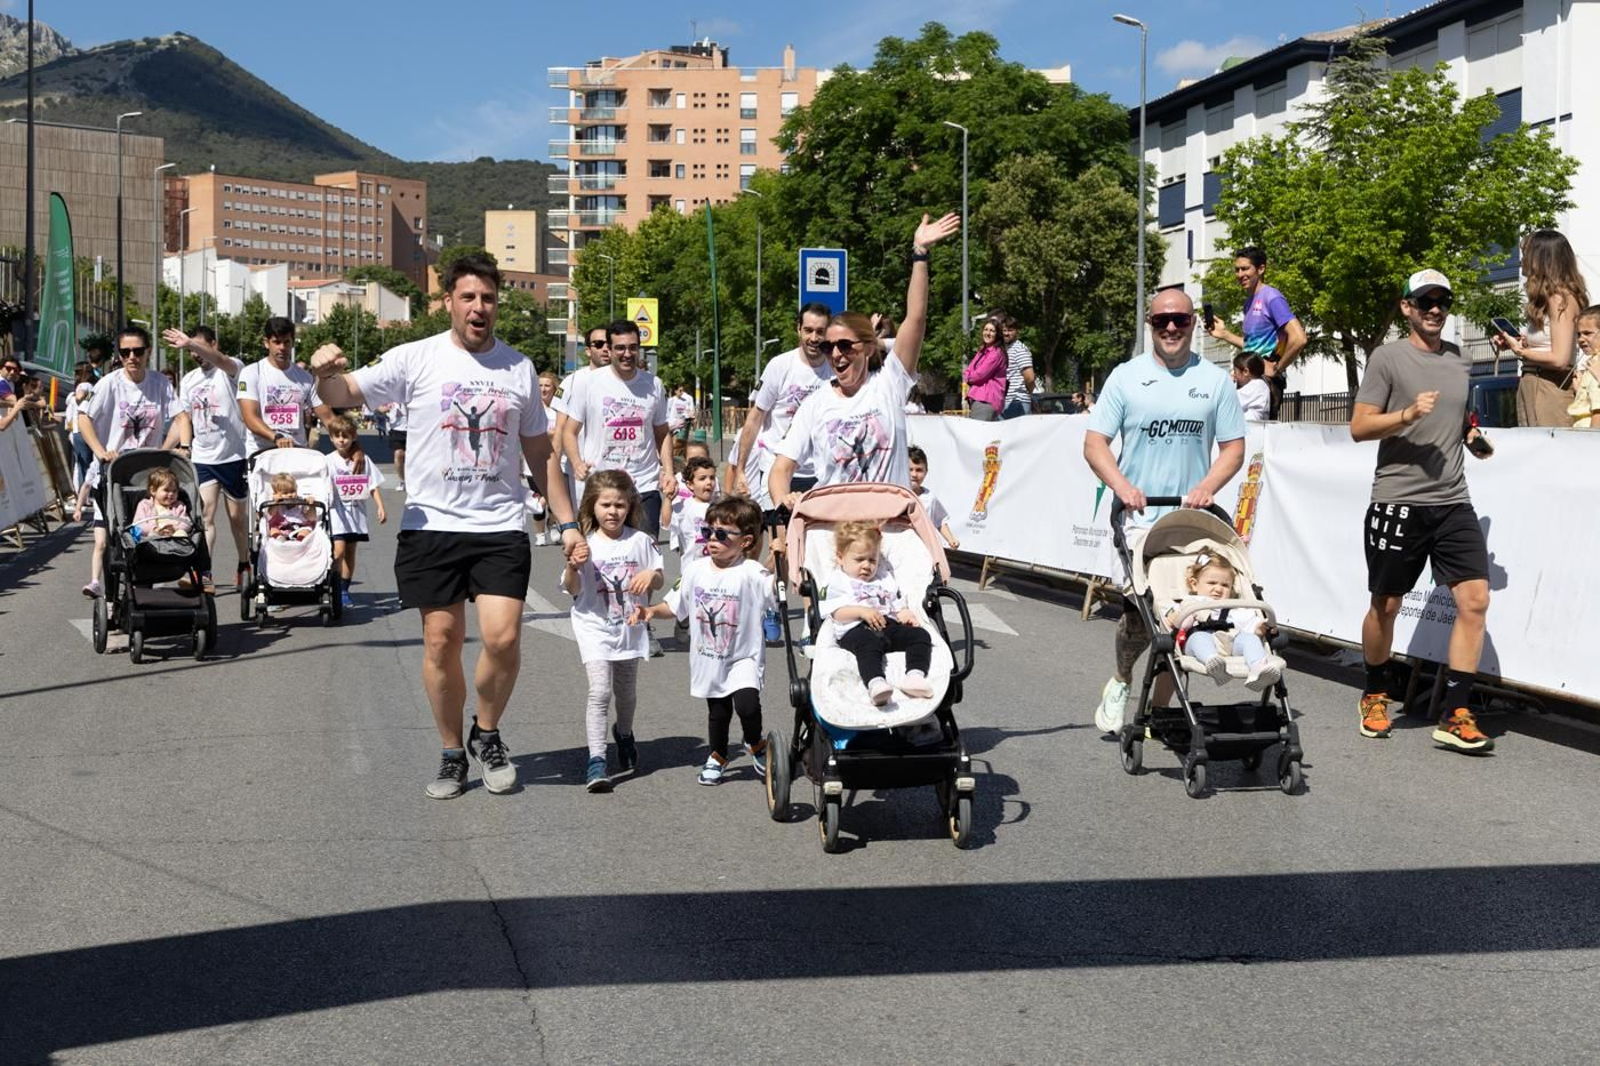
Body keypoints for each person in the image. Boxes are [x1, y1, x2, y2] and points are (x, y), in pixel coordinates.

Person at [308, 252, 582, 800]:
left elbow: (540, 452)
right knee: (441, 641)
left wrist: (569, 521)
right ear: (449, 302)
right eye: (469, 298)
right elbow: (343, 397)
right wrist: (324, 374)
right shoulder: (416, 358)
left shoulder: (518, 369)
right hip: (432, 524)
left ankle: (488, 731)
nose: (479, 308)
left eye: (488, 299)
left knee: (502, 638)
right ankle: (453, 750)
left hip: (500, 522)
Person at [1083, 289, 1247, 736]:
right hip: (1139, 521)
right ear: (1150, 325)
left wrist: (1207, 486)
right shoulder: (1126, 377)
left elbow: (1234, 448)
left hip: (1192, 519)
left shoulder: (1214, 381)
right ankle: (1121, 680)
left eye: (1180, 320)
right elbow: (1094, 444)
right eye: (1161, 322)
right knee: (1140, 615)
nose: (1171, 328)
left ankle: (1158, 709)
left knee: (1188, 615)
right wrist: (1123, 487)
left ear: (1194, 323)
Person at [1350, 269, 1497, 754]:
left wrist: (1471, 437)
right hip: (1398, 500)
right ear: (1407, 308)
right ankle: (1375, 692)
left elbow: (1456, 418)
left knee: (1475, 600)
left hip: (1453, 499)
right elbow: (1359, 427)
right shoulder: (1387, 358)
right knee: (1386, 605)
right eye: (1426, 301)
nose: (1436, 309)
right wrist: (1406, 416)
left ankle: (1456, 712)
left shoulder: (1460, 360)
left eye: (1444, 301)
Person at [771, 212, 961, 505]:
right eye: (828, 347)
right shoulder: (815, 405)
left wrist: (920, 255)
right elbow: (781, 468)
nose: (836, 354)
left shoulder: (888, 384)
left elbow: (916, 318)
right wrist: (785, 497)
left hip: (890, 528)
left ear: (869, 348)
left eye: (845, 345)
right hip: (840, 531)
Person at [632, 496, 773, 785]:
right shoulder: (695, 570)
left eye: (722, 534)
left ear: (746, 541)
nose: (712, 539)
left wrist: (780, 557)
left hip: (743, 656)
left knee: (747, 704)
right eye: (708, 532)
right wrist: (650, 611)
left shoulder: (751, 572)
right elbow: (674, 606)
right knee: (718, 712)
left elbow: (774, 588)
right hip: (709, 656)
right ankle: (718, 755)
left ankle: (755, 743)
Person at [562, 469, 662, 793]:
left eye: (619, 504)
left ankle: (625, 732)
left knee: (626, 692)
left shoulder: (640, 540)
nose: (612, 511)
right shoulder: (585, 544)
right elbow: (573, 589)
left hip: (629, 626)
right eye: (605, 504)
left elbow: (659, 577)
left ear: (629, 505)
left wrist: (651, 576)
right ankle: (596, 759)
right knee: (600, 691)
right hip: (594, 626)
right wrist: (572, 567)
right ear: (592, 506)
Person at [77, 326, 189, 598]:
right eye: (125, 352)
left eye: (137, 351)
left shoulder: (160, 383)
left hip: (148, 470)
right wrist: (101, 450)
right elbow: (83, 419)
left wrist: (183, 447)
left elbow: (181, 417)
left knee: (146, 530)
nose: (132, 357)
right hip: (115, 468)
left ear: (147, 352)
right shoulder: (108, 384)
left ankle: (144, 590)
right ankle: (113, 594)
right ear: (119, 354)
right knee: (114, 536)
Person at [561, 319, 676, 534]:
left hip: (644, 483)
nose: (627, 354)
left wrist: (668, 471)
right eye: (620, 348)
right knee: (599, 558)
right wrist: (576, 462)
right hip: (602, 484)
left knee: (646, 554)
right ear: (610, 349)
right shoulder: (589, 383)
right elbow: (569, 431)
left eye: (633, 348)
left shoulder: (654, 384)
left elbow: (662, 433)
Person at [166, 325, 250, 594]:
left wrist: (190, 341)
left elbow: (221, 360)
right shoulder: (190, 380)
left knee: (237, 518)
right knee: (205, 515)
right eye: (191, 351)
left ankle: (244, 563)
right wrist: (167, 448)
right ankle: (204, 572)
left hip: (234, 456)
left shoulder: (232, 369)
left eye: (198, 348)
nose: (195, 354)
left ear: (213, 343)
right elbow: (183, 419)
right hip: (204, 456)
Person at [819, 520, 935, 706]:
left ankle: (914, 675)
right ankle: (876, 683)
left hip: (887, 625)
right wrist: (861, 611)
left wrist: (903, 612)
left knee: (920, 635)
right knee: (869, 645)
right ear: (840, 557)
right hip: (856, 631)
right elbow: (835, 613)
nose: (867, 566)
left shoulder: (883, 578)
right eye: (859, 560)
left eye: (872, 560)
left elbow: (895, 601)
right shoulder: (838, 580)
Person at [732, 303, 836, 504]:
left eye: (820, 332)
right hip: (777, 468)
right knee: (780, 534)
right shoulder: (779, 366)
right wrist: (741, 470)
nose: (814, 338)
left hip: (820, 473)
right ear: (798, 329)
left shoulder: (836, 368)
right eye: (808, 330)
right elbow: (755, 419)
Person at [1494, 229, 1589, 428]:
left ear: (1542, 258)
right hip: (1533, 383)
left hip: (1549, 387)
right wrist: (1519, 342)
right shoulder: (1547, 299)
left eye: (1527, 254)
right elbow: (1546, 345)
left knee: (1550, 455)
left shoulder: (1561, 298)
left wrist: (1521, 350)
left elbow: (1560, 359)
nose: (1522, 260)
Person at [1208, 247, 1307, 418]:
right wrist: (1225, 334)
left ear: (1261, 269)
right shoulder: (1249, 302)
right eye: (1237, 270)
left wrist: (1277, 368)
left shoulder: (1272, 297)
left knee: (1253, 437)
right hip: (1248, 379)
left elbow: (1299, 338)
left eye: (1245, 269)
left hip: (1264, 383)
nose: (1240, 274)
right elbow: (1253, 346)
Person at [1165, 552, 1282, 692]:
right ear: (1194, 584)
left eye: (1225, 585)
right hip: (1198, 640)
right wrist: (1175, 616)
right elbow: (1177, 620)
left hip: (1230, 642)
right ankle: (1213, 662)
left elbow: (1250, 626)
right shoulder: (1190, 602)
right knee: (1199, 638)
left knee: (1250, 639)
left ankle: (1258, 668)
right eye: (1212, 583)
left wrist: (1261, 628)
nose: (1218, 589)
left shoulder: (1235, 606)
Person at [239, 317, 333, 451]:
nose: (282, 348)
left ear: (293, 343)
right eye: (276, 342)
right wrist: (276, 437)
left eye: (286, 342)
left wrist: (353, 444)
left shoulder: (305, 377)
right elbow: (249, 417)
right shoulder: (251, 373)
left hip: (296, 452)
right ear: (266, 343)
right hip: (263, 452)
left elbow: (328, 418)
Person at [323, 413, 387, 607]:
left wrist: (380, 507)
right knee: (338, 551)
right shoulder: (327, 460)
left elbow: (373, 484)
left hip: (356, 512)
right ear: (331, 437)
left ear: (353, 437)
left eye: (346, 436)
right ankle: (331, 583)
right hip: (337, 511)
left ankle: (344, 589)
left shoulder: (363, 460)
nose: (341, 440)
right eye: (337, 436)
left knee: (350, 552)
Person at [907, 445, 960, 550]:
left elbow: (940, 521)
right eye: (910, 469)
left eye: (919, 470)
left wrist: (951, 539)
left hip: (921, 549)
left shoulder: (929, 498)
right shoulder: (895, 494)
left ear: (926, 472)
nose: (914, 474)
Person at [529, 372, 559, 545]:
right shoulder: (531, 409)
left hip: (556, 460)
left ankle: (553, 523)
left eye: (547, 385)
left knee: (553, 496)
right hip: (532, 461)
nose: (543, 389)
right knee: (538, 498)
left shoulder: (559, 410)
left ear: (554, 388)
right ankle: (540, 534)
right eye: (540, 385)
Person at [669, 455, 718, 560]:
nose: (709, 482)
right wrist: (667, 499)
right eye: (702, 478)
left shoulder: (720, 508)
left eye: (712, 478)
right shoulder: (685, 506)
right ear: (690, 484)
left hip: (714, 565)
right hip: (691, 565)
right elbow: (666, 523)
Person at [961, 319, 1007, 420]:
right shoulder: (982, 351)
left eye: (992, 330)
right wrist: (969, 375)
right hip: (978, 398)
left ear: (998, 334)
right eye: (986, 329)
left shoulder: (996, 353)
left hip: (986, 400)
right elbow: (968, 370)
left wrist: (969, 376)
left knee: (978, 434)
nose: (988, 333)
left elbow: (979, 375)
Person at [131, 468, 192, 539]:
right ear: (153, 490)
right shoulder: (144, 505)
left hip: (174, 534)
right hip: (154, 534)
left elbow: (187, 523)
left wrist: (176, 528)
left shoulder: (179, 506)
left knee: (182, 533)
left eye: (174, 491)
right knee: (150, 535)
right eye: (166, 490)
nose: (171, 494)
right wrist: (155, 529)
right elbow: (138, 525)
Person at [1000, 314, 1037, 419]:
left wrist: (1026, 393)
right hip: (1005, 401)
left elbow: (1029, 377)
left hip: (1017, 402)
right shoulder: (1005, 348)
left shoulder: (1019, 349)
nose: (1006, 333)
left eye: (1010, 330)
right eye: (1004, 330)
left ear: (1017, 331)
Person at [1571, 305, 1600, 428]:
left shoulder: (1596, 366)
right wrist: (1580, 391)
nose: (1581, 339)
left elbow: (1598, 412)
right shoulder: (1593, 362)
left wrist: (1591, 441)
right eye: (1578, 334)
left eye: (1587, 333)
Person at [266, 473, 314, 541]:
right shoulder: (278, 505)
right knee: (273, 529)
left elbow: (311, 517)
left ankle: (300, 540)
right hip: (282, 529)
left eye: (292, 491)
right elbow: (270, 514)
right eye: (285, 493)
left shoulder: (301, 502)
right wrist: (275, 502)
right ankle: (279, 539)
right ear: (276, 494)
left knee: (306, 530)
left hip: (300, 528)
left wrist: (311, 505)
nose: (290, 495)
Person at [65, 379, 94, 489]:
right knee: (85, 466)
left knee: (82, 465)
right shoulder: (88, 386)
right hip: (81, 431)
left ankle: (83, 494)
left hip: (78, 431)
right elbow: (79, 397)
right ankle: (84, 495)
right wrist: (90, 397)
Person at [1232, 353, 1271, 421]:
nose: (1233, 375)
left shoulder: (1258, 385)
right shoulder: (1259, 384)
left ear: (1246, 372)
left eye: (1235, 371)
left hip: (1253, 426)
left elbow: (1232, 399)